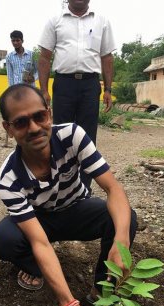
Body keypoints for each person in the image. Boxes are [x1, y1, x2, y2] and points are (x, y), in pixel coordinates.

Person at [0, 84, 137, 306]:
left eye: (39, 117)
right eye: (21, 123)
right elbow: (39, 241)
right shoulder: (7, 178)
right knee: (3, 240)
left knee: (123, 219)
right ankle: (40, 271)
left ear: (50, 114)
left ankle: (103, 291)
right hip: (38, 220)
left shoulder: (72, 136)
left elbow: (114, 190)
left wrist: (121, 242)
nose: (33, 128)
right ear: (8, 128)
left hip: (76, 207)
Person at [38, 0, 116, 188]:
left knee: (88, 136)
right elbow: (44, 57)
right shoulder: (55, 20)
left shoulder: (102, 21)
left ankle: (84, 187)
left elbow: (107, 57)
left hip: (90, 85)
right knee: (59, 134)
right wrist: (43, 90)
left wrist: (107, 89)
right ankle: (61, 184)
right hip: (63, 84)